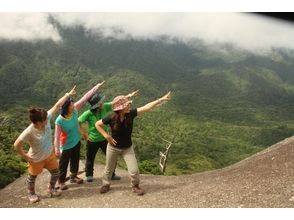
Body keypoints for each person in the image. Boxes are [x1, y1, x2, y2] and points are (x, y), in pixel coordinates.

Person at [95, 91, 171, 196]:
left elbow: (146, 107)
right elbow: (97, 124)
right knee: (109, 168)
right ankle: (106, 184)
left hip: (127, 148)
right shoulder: (111, 117)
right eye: (126, 105)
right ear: (120, 108)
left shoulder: (131, 114)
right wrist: (106, 136)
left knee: (134, 170)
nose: (129, 106)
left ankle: (135, 186)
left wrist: (160, 99)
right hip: (113, 147)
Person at [13, 86, 77, 203]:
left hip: (49, 155)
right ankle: (31, 193)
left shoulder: (45, 117)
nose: (48, 120)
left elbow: (57, 105)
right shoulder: (29, 131)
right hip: (36, 159)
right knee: (32, 178)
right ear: (38, 122)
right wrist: (26, 156)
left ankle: (51, 188)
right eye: (45, 120)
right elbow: (16, 145)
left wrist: (68, 94)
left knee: (56, 173)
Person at [78, 90, 139, 182]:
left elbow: (117, 103)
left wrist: (130, 95)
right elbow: (78, 122)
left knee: (111, 158)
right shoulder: (88, 113)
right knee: (90, 158)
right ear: (95, 105)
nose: (102, 103)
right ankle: (89, 175)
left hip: (104, 138)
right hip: (93, 139)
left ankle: (112, 174)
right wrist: (84, 134)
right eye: (99, 103)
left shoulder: (104, 107)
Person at [54, 81, 105, 190]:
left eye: (73, 104)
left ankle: (73, 176)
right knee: (63, 163)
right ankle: (61, 181)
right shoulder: (59, 120)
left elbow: (85, 97)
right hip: (66, 144)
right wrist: (57, 149)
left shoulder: (75, 110)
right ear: (66, 106)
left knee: (75, 159)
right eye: (72, 104)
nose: (74, 105)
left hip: (76, 141)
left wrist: (96, 87)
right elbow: (56, 136)